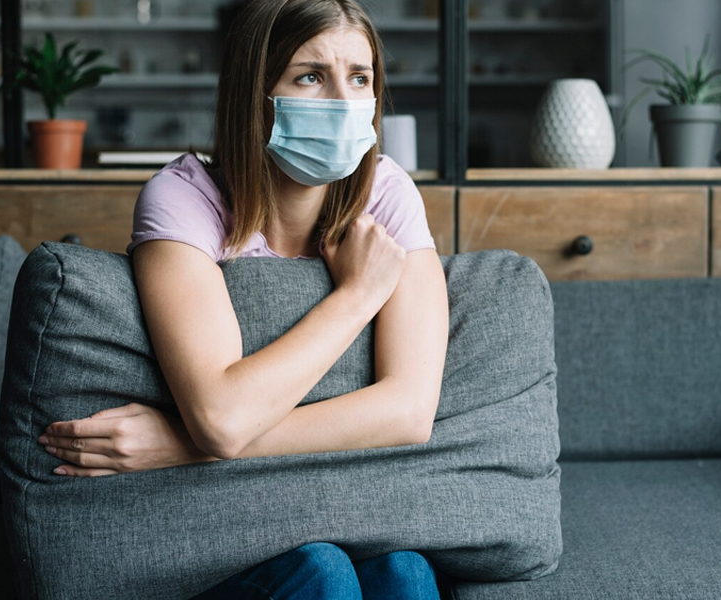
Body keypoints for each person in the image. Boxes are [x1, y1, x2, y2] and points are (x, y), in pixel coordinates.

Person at [34, 0, 449, 598]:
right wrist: (357, 295)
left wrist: (181, 444)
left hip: (337, 507)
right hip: (218, 527)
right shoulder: (183, 198)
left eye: (360, 78)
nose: (342, 101)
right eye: (311, 76)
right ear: (256, 94)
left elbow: (409, 413)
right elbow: (222, 417)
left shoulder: (387, 194)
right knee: (320, 572)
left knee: (406, 573)